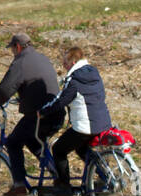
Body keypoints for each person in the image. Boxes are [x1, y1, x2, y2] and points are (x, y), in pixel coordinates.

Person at [0, 31, 62, 196]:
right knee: (31, 139)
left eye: (12, 49)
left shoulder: (20, 62)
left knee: (12, 142)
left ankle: (19, 184)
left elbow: (5, 89)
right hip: (57, 113)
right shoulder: (42, 58)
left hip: (40, 116)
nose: (12, 52)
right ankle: (57, 175)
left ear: (17, 47)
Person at [40, 46, 112, 187]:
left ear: (72, 62)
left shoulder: (74, 80)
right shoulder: (94, 73)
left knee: (58, 149)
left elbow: (61, 101)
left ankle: (63, 186)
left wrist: (43, 111)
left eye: (65, 63)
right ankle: (102, 174)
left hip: (85, 127)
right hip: (102, 123)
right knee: (80, 148)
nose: (63, 66)